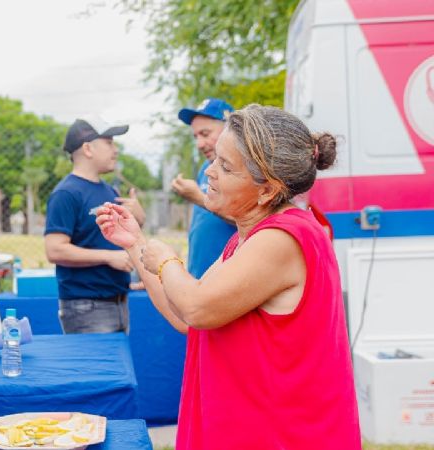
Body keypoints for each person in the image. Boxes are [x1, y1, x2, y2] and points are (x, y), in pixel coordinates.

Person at [96, 105, 360, 448]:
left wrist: (167, 261)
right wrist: (136, 245)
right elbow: (185, 317)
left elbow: (196, 307)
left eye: (225, 166)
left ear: (267, 190)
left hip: (282, 435)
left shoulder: (282, 237)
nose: (209, 172)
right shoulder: (247, 236)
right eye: (214, 160)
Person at [44, 118, 145, 334]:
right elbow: (54, 249)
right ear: (88, 148)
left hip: (119, 301)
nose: (115, 150)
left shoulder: (110, 191)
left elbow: (124, 237)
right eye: (109, 142)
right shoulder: (66, 193)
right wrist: (109, 257)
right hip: (86, 307)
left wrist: (139, 217)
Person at [172, 98, 237, 278]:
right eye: (196, 136)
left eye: (205, 134)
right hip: (200, 278)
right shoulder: (206, 168)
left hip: (228, 282)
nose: (199, 144)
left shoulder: (244, 169)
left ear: (229, 129)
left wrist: (198, 198)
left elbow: (251, 219)